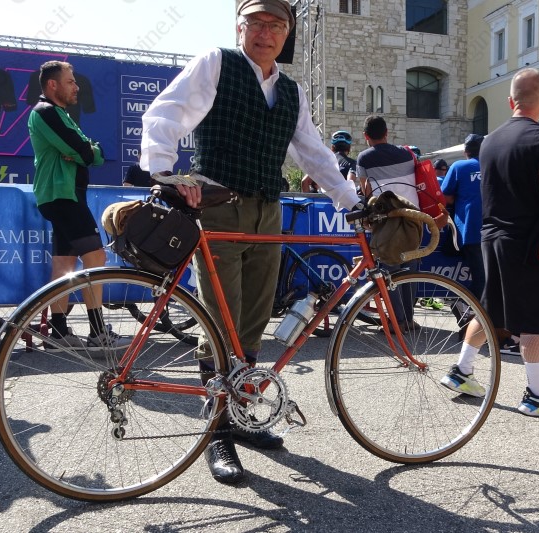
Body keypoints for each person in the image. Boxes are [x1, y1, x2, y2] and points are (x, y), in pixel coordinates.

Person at [139, 0, 361, 484]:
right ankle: (216, 431)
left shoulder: (291, 90)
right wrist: (163, 172)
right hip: (219, 206)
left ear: (286, 34)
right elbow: (167, 114)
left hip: (268, 210)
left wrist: (350, 200)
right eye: (256, 23)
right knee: (221, 324)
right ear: (240, 27)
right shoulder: (217, 63)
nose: (266, 32)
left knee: (255, 319)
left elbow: (313, 152)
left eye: (276, 25)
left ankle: (241, 415)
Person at [439, 68, 539, 418]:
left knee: (491, 309)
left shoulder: (489, 141)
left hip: (491, 237)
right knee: (534, 318)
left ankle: (462, 371)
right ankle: (537, 394)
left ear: (509, 101)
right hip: (527, 239)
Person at [28, 61, 128, 352]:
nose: (77, 87)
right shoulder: (46, 112)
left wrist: (87, 152)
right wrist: (86, 152)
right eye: (70, 81)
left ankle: (58, 333)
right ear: (52, 85)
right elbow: (85, 152)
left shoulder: (59, 113)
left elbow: (91, 152)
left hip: (64, 195)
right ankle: (97, 333)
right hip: (63, 196)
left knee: (64, 265)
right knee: (96, 256)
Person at [355, 115, 420, 330]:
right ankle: (409, 319)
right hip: (413, 217)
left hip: (387, 220)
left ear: (366, 136)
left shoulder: (365, 158)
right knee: (410, 270)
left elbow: (366, 191)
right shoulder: (408, 154)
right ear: (386, 133)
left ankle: (398, 321)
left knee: (391, 271)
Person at [440, 134, 485, 299]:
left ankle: (465, 306)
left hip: (470, 230)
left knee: (481, 277)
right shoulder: (494, 165)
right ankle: (469, 307)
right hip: (494, 230)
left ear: (465, 151)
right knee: (486, 277)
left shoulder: (459, 166)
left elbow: (445, 196)